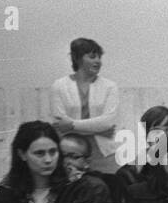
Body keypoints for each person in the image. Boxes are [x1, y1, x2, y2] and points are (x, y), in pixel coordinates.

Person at [50, 37, 120, 175]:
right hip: (71, 155)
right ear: (77, 58)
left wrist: (72, 125)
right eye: (92, 57)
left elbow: (107, 123)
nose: (98, 61)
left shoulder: (110, 86)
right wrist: (97, 129)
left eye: (99, 57)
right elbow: (60, 125)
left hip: (104, 154)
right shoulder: (58, 86)